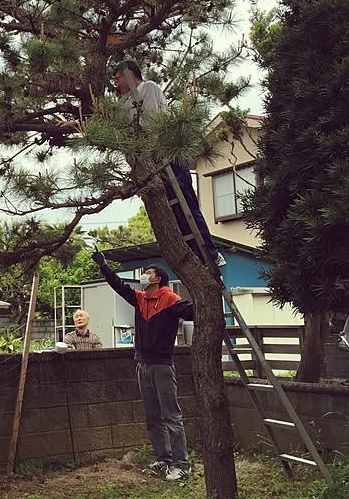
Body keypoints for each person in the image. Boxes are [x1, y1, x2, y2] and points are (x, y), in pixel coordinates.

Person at [113, 59, 226, 268]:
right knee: (173, 210)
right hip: (152, 160)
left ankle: (211, 253)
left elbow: (154, 119)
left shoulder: (149, 87)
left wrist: (141, 139)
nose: (117, 83)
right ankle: (196, 255)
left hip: (167, 153)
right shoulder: (123, 103)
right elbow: (112, 124)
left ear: (130, 73)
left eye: (119, 78)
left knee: (187, 203)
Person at [92, 254, 192, 481]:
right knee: (152, 416)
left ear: (158, 279)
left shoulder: (170, 299)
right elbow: (119, 286)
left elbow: (190, 311)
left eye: (148, 273)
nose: (144, 276)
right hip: (142, 364)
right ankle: (163, 459)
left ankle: (181, 464)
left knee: (171, 415)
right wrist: (103, 265)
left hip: (162, 365)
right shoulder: (141, 299)